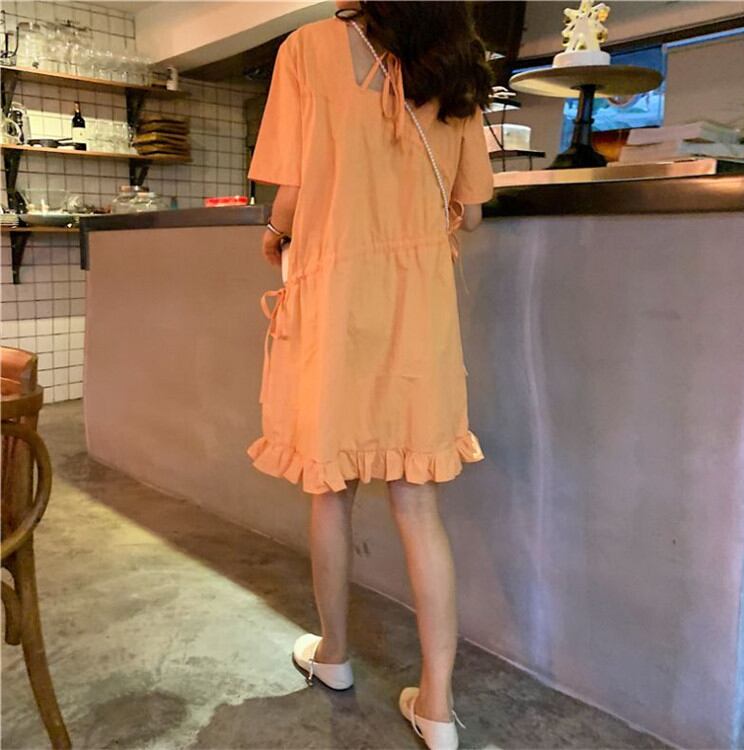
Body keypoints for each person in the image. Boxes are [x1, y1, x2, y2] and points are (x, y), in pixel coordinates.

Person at [246, 2, 494, 748]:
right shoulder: (458, 60)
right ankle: (438, 707)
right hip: (418, 304)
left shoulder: (307, 48)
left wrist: (276, 231)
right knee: (418, 503)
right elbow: (471, 212)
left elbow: (291, 187)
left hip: (335, 296)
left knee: (331, 491)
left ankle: (334, 655)